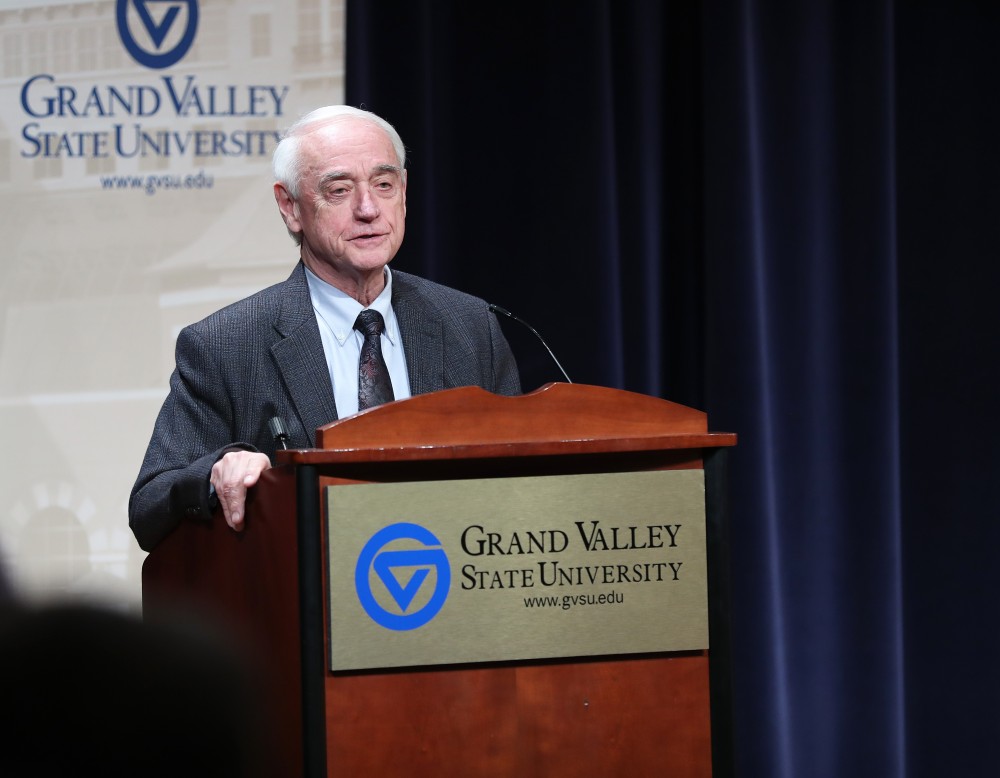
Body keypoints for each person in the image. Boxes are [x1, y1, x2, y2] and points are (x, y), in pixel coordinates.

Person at [129, 105, 521, 552]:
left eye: (384, 184)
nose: (369, 209)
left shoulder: (469, 326)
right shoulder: (225, 344)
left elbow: (521, 483)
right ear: (290, 207)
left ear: (404, 192)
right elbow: (149, 506)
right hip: (302, 607)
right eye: (338, 190)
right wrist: (217, 470)